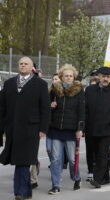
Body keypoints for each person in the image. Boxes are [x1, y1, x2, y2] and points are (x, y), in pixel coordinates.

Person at [0, 57, 50, 200]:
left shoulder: (40, 84)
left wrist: (43, 129)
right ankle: (26, 191)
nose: (22, 66)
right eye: (21, 64)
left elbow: (45, 109)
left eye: (26, 64)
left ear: (31, 67)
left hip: (31, 129)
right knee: (19, 159)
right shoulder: (9, 83)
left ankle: (20, 192)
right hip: (13, 128)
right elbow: (2, 106)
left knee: (23, 160)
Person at [48, 64, 84, 194]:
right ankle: (56, 185)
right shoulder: (55, 90)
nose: (68, 78)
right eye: (66, 76)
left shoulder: (79, 90)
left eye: (70, 76)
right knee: (56, 159)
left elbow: (81, 110)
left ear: (73, 77)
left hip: (71, 130)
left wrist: (80, 128)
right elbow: (47, 107)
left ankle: (76, 177)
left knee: (72, 158)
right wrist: (50, 106)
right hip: (56, 129)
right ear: (61, 77)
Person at [85, 67, 110, 188]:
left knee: (102, 153)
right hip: (91, 128)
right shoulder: (90, 90)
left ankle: (97, 179)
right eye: (103, 76)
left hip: (106, 129)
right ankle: (105, 177)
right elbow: (85, 108)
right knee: (95, 153)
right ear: (98, 77)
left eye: (108, 77)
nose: (105, 79)